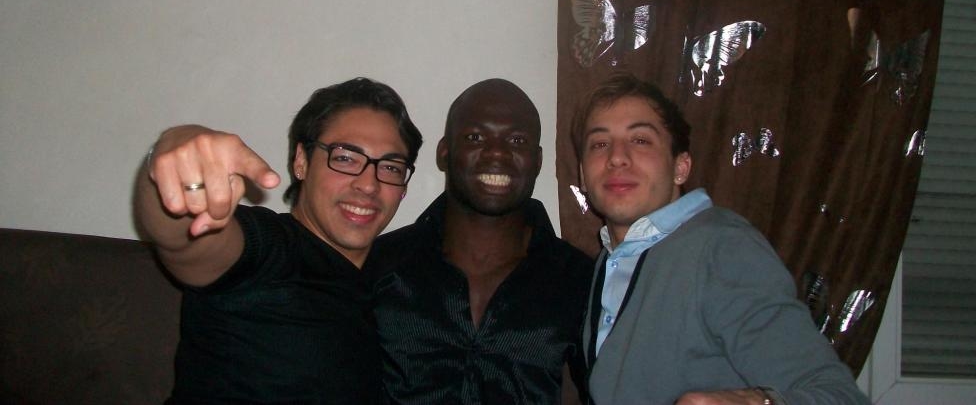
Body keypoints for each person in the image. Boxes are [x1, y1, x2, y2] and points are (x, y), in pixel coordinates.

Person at [571, 72, 870, 405]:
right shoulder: (612, 260)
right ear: (583, 174)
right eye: (600, 144)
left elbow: (838, 395)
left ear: (680, 167)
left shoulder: (722, 248)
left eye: (640, 140)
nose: (616, 157)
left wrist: (758, 403)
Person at [135, 77, 422, 405]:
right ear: (301, 162)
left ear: (403, 188)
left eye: (391, 167)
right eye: (345, 158)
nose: (369, 184)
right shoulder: (271, 248)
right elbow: (184, 238)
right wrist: (174, 159)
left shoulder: (395, 284)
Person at [365, 78, 593, 405]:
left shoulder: (579, 280)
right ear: (444, 152)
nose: (497, 152)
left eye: (517, 140)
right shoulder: (378, 264)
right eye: (475, 137)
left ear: (538, 160)